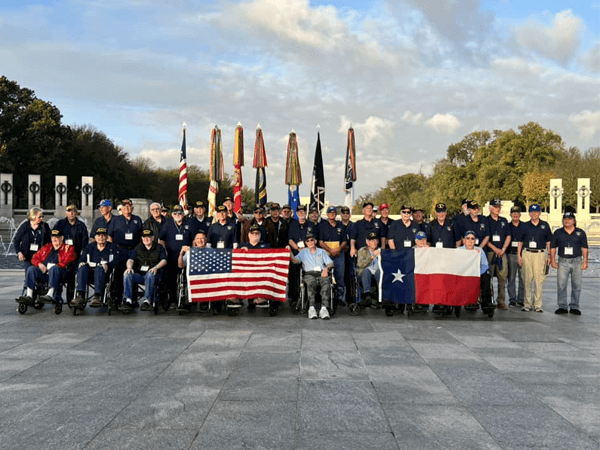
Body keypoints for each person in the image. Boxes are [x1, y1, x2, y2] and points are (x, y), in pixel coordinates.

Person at [17, 229, 76, 306]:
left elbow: (69, 259)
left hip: (60, 274)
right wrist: (40, 264)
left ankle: (50, 294)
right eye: (52, 237)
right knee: (31, 269)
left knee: (54, 269)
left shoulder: (68, 248)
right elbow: (35, 258)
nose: (54, 239)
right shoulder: (47, 247)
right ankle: (29, 295)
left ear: (61, 238)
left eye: (56, 237)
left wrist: (57, 265)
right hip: (45, 273)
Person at [550, 212, 589, 315]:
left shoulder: (580, 233)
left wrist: (585, 261)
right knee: (561, 285)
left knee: (577, 285)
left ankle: (574, 306)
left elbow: (584, 248)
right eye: (565, 219)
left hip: (577, 261)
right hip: (563, 261)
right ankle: (562, 306)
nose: (567, 221)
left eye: (569, 219)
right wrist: (553, 260)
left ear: (574, 221)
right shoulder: (558, 232)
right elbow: (553, 247)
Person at [72, 227, 119, 308]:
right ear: (95, 238)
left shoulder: (112, 247)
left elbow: (116, 260)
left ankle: (97, 296)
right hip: (89, 274)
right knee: (82, 268)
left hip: (104, 274)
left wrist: (108, 265)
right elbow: (81, 259)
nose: (101, 237)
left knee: (99, 268)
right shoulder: (90, 247)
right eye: (99, 236)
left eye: (103, 235)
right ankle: (80, 295)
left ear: (107, 237)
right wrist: (82, 263)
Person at [289, 232, 333, 320]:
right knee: (311, 282)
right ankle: (311, 308)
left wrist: (326, 269)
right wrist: (289, 252)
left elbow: (330, 263)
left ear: (315, 241)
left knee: (326, 282)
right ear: (306, 243)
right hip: (309, 274)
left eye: (312, 240)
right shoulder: (303, 252)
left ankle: (324, 308)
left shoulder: (322, 251)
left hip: (321, 273)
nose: (310, 242)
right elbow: (295, 261)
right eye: (307, 241)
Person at [517, 204, 552, 313]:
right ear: (529, 213)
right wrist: (519, 255)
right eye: (532, 212)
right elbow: (520, 241)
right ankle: (527, 304)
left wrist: (550, 255)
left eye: (536, 212)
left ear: (540, 213)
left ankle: (538, 305)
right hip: (527, 253)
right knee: (527, 280)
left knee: (539, 280)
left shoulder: (545, 225)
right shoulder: (524, 225)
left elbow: (548, 242)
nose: (534, 214)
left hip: (539, 254)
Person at [122, 228, 167, 312]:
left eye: (148, 237)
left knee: (150, 274)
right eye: (144, 237)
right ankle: (128, 300)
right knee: (128, 274)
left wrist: (156, 267)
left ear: (153, 238)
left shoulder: (159, 247)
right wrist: (129, 267)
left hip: (153, 275)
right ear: (142, 239)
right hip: (140, 275)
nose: (146, 239)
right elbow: (130, 260)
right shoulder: (138, 247)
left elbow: (164, 260)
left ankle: (147, 301)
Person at [159, 204, 193, 308]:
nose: (178, 215)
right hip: (171, 255)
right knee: (171, 278)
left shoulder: (189, 224)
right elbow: (161, 240)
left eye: (180, 213)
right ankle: (173, 300)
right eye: (175, 213)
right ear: (172, 215)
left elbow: (194, 240)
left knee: (186, 278)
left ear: (183, 214)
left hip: (185, 256)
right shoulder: (167, 224)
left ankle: (186, 299)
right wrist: (164, 252)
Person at [485, 199, 510, 310]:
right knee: (487, 277)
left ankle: (501, 300)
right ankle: (488, 300)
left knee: (502, 277)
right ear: (490, 208)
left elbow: (508, 236)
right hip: (490, 252)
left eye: (499, 207)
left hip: (502, 252)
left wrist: (503, 249)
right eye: (495, 207)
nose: (498, 209)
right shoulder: (485, 220)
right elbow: (485, 238)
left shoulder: (504, 220)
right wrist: (495, 249)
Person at [319, 206, 347, 302]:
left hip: (339, 254)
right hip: (326, 254)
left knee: (340, 276)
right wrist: (330, 250)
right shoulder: (322, 225)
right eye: (330, 213)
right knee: (325, 276)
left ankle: (340, 297)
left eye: (334, 213)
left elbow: (344, 241)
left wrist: (338, 249)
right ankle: (325, 297)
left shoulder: (341, 225)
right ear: (327, 214)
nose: (332, 214)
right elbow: (321, 242)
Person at [240, 224, 272, 308]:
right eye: (253, 233)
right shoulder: (243, 246)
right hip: (246, 273)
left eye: (257, 233)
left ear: (260, 235)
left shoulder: (266, 246)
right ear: (249, 235)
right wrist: (240, 252)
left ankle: (261, 297)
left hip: (261, 273)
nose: (255, 235)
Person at [459, 230, 492, 309]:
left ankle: (486, 302)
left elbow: (485, 265)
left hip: (477, 274)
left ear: (475, 241)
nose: (470, 240)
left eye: (472, 239)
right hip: (463, 275)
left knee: (486, 277)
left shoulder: (480, 250)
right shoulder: (459, 251)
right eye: (468, 238)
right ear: (464, 240)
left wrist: (478, 273)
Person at [177, 230, 208, 313]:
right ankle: (186, 302)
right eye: (197, 238)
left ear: (206, 240)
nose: (200, 240)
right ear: (194, 241)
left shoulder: (210, 250)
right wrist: (181, 253)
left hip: (205, 275)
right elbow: (180, 265)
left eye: (202, 238)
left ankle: (204, 302)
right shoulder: (190, 251)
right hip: (191, 274)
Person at [14, 207, 51, 272]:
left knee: (40, 275)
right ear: (33, 217)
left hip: (41, 256)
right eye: (39, 217)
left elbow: (50, 241)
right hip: (27, 256)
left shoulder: (45, 226)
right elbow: (16, 240)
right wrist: (19, 252)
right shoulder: (25, 226)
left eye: (42, 216)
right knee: (29, 274)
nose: (41, 218)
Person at [356, 232, 381, 308]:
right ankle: (367, 296)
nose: (374, 242)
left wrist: (381, 255)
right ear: (367, 242)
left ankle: (381, 295)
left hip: (377, 273)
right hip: (365, 274)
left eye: (375, 240)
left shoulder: (381, 251)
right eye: (371, 241)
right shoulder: (362, 250)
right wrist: (372, 257)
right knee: (366, 271)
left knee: (379, 272)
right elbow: (360, 264)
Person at [507, 206, 525, 307]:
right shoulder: (507, 226)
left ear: (520, 215)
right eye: (513, 213)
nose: (515, 215)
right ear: (510, 215)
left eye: (517, 213)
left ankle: (521, 299)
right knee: (511, 278)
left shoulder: (525, 226)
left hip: (522, 255)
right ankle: (512, 299)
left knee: (523, 278)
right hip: (511, 254)